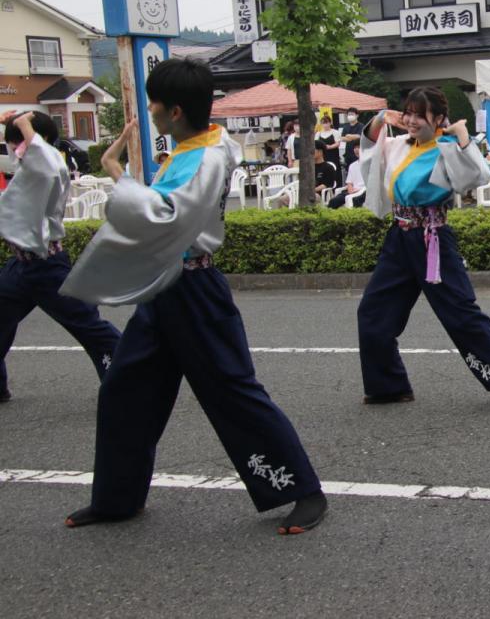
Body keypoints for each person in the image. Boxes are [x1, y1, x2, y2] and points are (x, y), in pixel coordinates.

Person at [59, 58, 327, 534]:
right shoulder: (200, 143)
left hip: (194, 291)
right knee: (125, 390)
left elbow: (165, 217)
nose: (151, 111)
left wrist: (118, 174)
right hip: (166, 290)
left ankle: (304, 490)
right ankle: (117, 498)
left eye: (155, 103)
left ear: (176, 110)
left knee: (233, 391)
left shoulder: (204, 156)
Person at [356, 87, 490, 414]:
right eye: (408, 112)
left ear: (437, 119)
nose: (411, 120)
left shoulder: (447, 148)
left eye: (420, 115)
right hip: (398, 238)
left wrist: (463, 136)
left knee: (462, 315)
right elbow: (368, 150)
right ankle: (387, 387)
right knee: (373, 312)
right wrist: (381, 118)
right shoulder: (396, 146)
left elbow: (478, 176)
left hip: (432, 240)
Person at [0, 110, 121, 403]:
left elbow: (42, 156)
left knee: (89, 327)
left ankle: (129, 377)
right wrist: (13, 125)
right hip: (22, 264)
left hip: (46, 267)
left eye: (17, 144)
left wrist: (24, 125)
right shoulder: (31, 166)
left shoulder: (50, 163)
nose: (14, 152)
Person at [315, 115, 343, 187]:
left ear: (330, 123)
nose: (325, 125)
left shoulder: (335, 132)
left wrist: (330, 147)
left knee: (335, 170)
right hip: (323, 156)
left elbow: (338, 143)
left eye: (326, 122)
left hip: (333, 155)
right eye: (323, 123)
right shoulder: (318, 133)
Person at [340, 108, 364, 176]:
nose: (350, 116)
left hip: (358, 152)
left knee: (359, 171)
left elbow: (359, 136)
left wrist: (349, 135)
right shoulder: (345, 126)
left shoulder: (361, 126)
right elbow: (342, 138)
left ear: (357, 115)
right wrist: (352, 137)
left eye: (352, 114)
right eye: (349, 114)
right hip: (348, 153)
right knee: (349, 172)